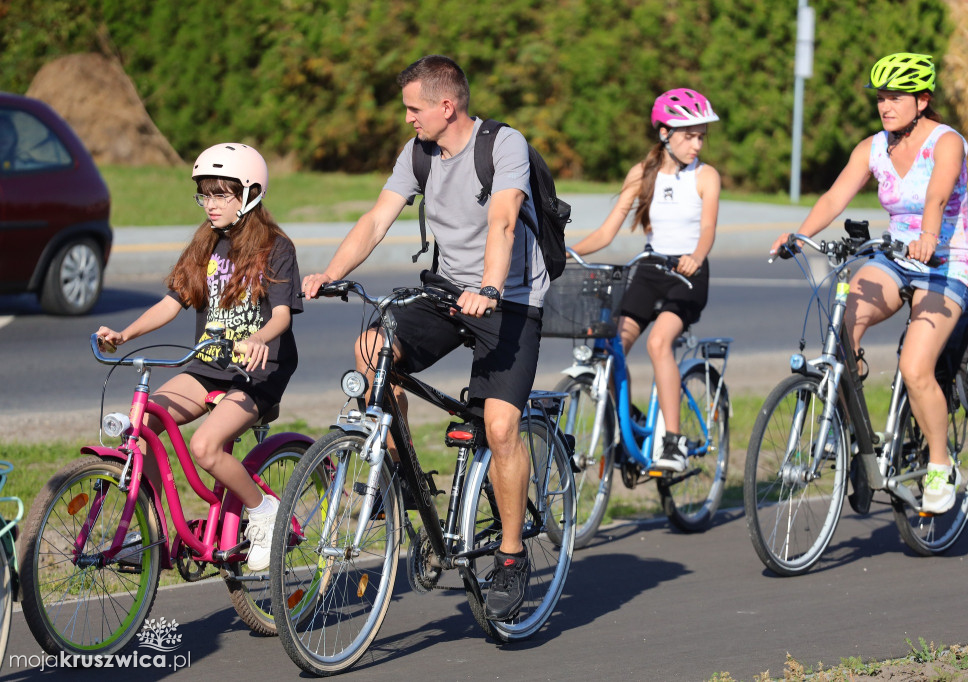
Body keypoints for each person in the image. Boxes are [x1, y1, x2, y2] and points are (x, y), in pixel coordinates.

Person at [301, 55, 546, 620]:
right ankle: (407, 477)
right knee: (372, 349)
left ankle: (511, 558)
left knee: (500, 425)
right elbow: (376, 218)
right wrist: (330, 272)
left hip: (507, 299)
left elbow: (505, 218)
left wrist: (489, 284)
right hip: (446, 292)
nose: (407, 118)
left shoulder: (503, 145)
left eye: (414, 108)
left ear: (446, 105)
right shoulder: (418, 153)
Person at [769, 52, 968, 514]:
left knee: (914, 365)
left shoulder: (946, 142)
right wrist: (800, 235)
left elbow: (938, 194)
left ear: (922, 100)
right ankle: (856, 438)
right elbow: (835, 195)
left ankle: (940, 465)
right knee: (842, 329)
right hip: (895, 259)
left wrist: (928, 236)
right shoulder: (873, 147)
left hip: (944, 263)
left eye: (896, 97)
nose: (885, 105)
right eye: (881, 97)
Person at [96, 143, 303, 570]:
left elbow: (282, 315)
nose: (211, 205)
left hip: (257, 370)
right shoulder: (205, 243)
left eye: (222, 194)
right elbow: (172, 303)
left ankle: (264, 511)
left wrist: (259, 338)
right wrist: (124, 334)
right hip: (208, 364)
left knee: (205, 447)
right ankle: (155, 531)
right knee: (143, 422)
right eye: (205, 194)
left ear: (250, 195)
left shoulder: (276, 247)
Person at [569, 88, 721, 472]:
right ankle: (631, 422)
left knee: (658, 342)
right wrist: (566, 253)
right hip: (650, 270)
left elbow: (707, 229)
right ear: (665, 133)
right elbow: (607, 232)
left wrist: (696, 257)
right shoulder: (642, 173)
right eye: (690, 135)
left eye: (702, 135)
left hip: (688, 276)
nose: (697, 144)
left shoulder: (706, 176)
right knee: (612, 345)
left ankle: (671, 441)